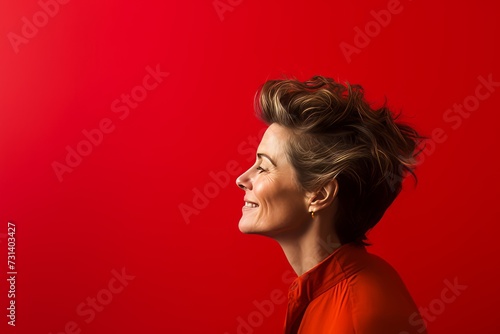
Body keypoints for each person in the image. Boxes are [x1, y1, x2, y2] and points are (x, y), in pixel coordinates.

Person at [235, 75, 428, 334]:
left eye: (264, 166)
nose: (241, 179)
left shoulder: (354, 316)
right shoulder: (345, 285)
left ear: (319, 195)